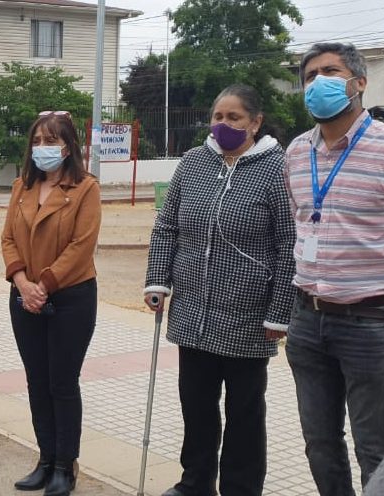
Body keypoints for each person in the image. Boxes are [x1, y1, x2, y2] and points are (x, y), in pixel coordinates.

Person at [284, 42, 384, 495]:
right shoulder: (297, 152)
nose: (318, 82)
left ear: (359, 83)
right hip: (308, 318)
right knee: (319, 443)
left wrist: (382, 268)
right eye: (310, 76)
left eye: (330, 72)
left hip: (373, 321)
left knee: (374, 447)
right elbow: (299, 221)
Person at [143, 84, 297, 496]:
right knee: (196, 406)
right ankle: (195, 482)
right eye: (217, 116)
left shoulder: (277, 169)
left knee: (244, 412)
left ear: (255, 122)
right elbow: (167, 226)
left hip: (248, 314)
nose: (223, 124)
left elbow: (289, 243)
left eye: (234, 117)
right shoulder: (194, 162)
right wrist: (157, 280)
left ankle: (240, 488)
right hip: (192, 311)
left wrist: (279, 311)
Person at [1, 111, 101, 496]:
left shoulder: (85, 188)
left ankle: (65, 465)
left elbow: (81, 245)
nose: (42, 147)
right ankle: (45, 459)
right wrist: (23, 283)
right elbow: (8, 239)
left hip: (70, 298)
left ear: (68, 146)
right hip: (24, 296)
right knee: (37, 381)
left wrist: (43, 284)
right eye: (37, 141)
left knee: (62, 382)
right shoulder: (21, 187)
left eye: (51, 140)